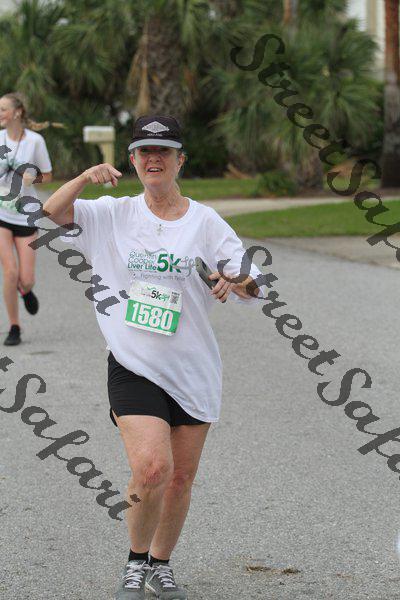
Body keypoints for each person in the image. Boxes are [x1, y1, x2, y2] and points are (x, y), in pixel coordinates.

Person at [43, 115, 265, 600]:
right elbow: (53, 212)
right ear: (133, 160)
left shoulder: (204, 222)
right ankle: (134, 562)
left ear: (180, 160)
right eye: (145, 151)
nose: (154, 159)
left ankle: (160, 565)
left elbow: (252, 283)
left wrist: (237, 282)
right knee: (151, 468)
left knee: (180, 478)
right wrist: (83, 178)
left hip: (192, 369)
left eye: (164, 151)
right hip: (133, 364)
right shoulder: (111, 214)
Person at [0, 92, 53, 346]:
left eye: (3, 109)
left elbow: (48, 176)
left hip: (26, 216)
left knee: (26, 278)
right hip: (1, 214)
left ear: (17, 112)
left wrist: (34, 178)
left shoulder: (35, 141)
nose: (0, 113)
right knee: (10, 272)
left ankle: (26, 290)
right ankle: (14, 326)